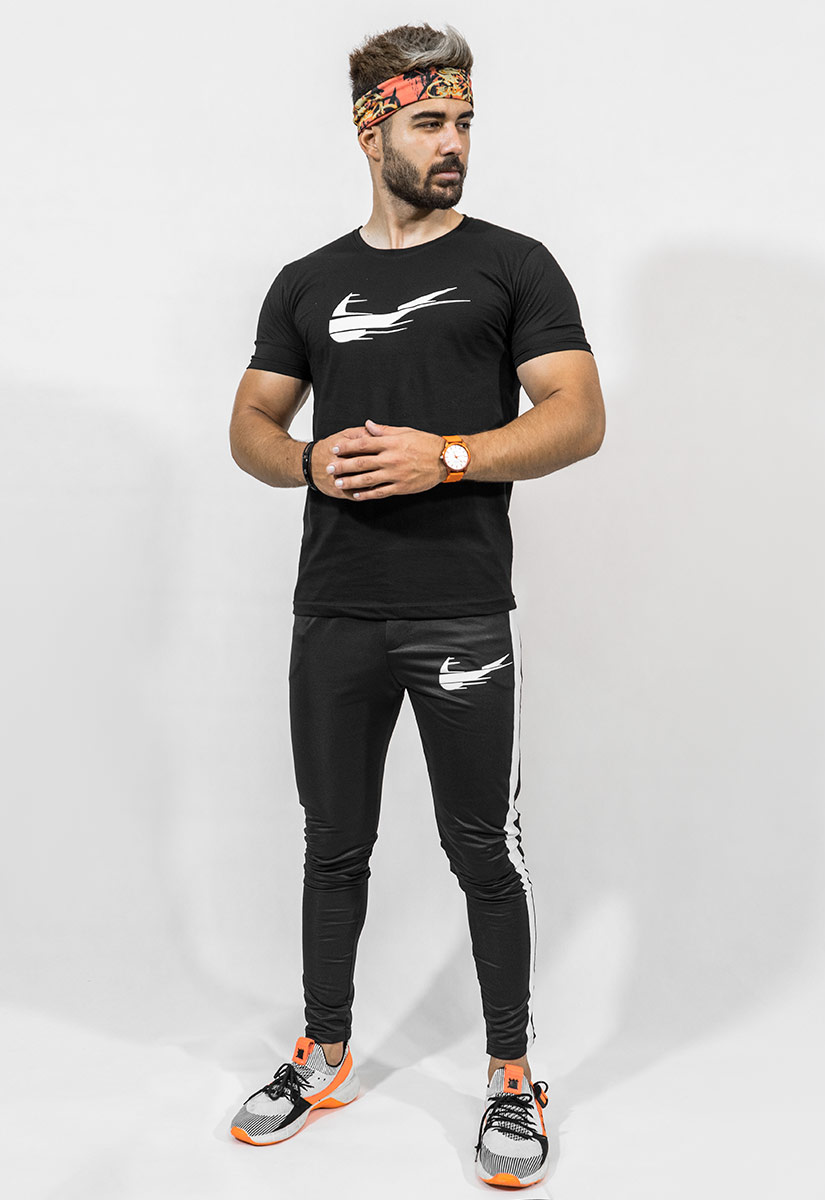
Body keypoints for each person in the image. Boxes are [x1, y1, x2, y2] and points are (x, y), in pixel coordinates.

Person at [226, 22, 605, 1189]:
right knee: (332, 845)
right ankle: (325, 1050)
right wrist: (305, 460)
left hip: (459, 613)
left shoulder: (514, 266)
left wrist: (448, 455)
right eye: (431, 121)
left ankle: (511, 1074)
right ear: (372, 129)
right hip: (335, 609)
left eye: (466, 122)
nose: (455, 144)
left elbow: (578, 415)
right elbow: (250, 426)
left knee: (483, 848)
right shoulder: (307, 281)